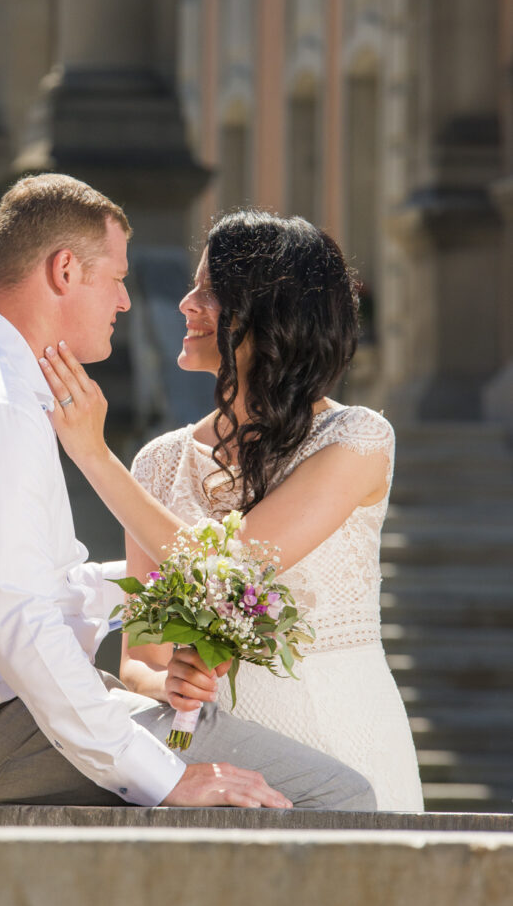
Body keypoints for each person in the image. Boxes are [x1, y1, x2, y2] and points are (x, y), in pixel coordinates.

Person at [0, 174, 375, 811]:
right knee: (340, 797)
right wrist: (169, 779)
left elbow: (42, 589)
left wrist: (155, 587)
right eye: (116, 277)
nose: (129, 302)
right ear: (66, 270)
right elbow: (22, 627)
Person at [40, 209, 423, 812]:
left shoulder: (358, 440)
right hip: (217, 766)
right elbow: (139, 660)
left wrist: (93, 455)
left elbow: (231, 569)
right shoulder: (159, 465)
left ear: (274, 312)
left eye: (212, 293)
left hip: (341, 735)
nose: (186, 304)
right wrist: (169, 683)